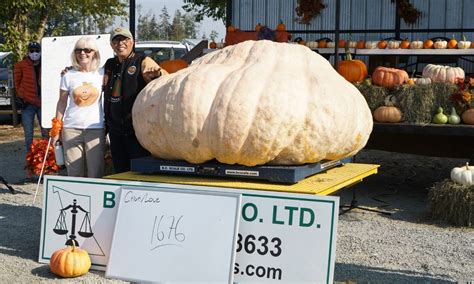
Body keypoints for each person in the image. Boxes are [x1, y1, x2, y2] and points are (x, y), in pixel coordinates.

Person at [103, 27, 168, 173]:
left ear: (132, 42)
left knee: (139, 171)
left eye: (125, 39)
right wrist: (71, 70)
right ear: (111, 44)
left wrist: (157, 75)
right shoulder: (109, 64)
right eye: (116, 40)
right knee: (120, 171)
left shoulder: (143, 61)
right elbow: (90, 78)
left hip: (137, 130)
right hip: (115, 130)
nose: (121, 43)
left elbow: (163, 80)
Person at [52, 37, 105, 178]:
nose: (83, 53)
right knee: (74, 172)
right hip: (71, 129)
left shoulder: (102, 74)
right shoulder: (68, 75)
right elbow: (62, 103)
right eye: (79, 50)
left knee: (96, 172)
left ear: (95, 53)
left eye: (87, 50)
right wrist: (56, 129)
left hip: (95, 129)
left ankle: (94, 199)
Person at [13, 41, 48, 152]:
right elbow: (17, 82)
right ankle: (30, 157)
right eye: (32, 51)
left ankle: (47, 156)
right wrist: (21, 95)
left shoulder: (46, 64)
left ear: (40, 51)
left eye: (37, 51)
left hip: (43, 102)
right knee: (28, 132)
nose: (34, 53)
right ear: (28, 52)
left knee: (46, 131)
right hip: (27, 103)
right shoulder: (20, 65)